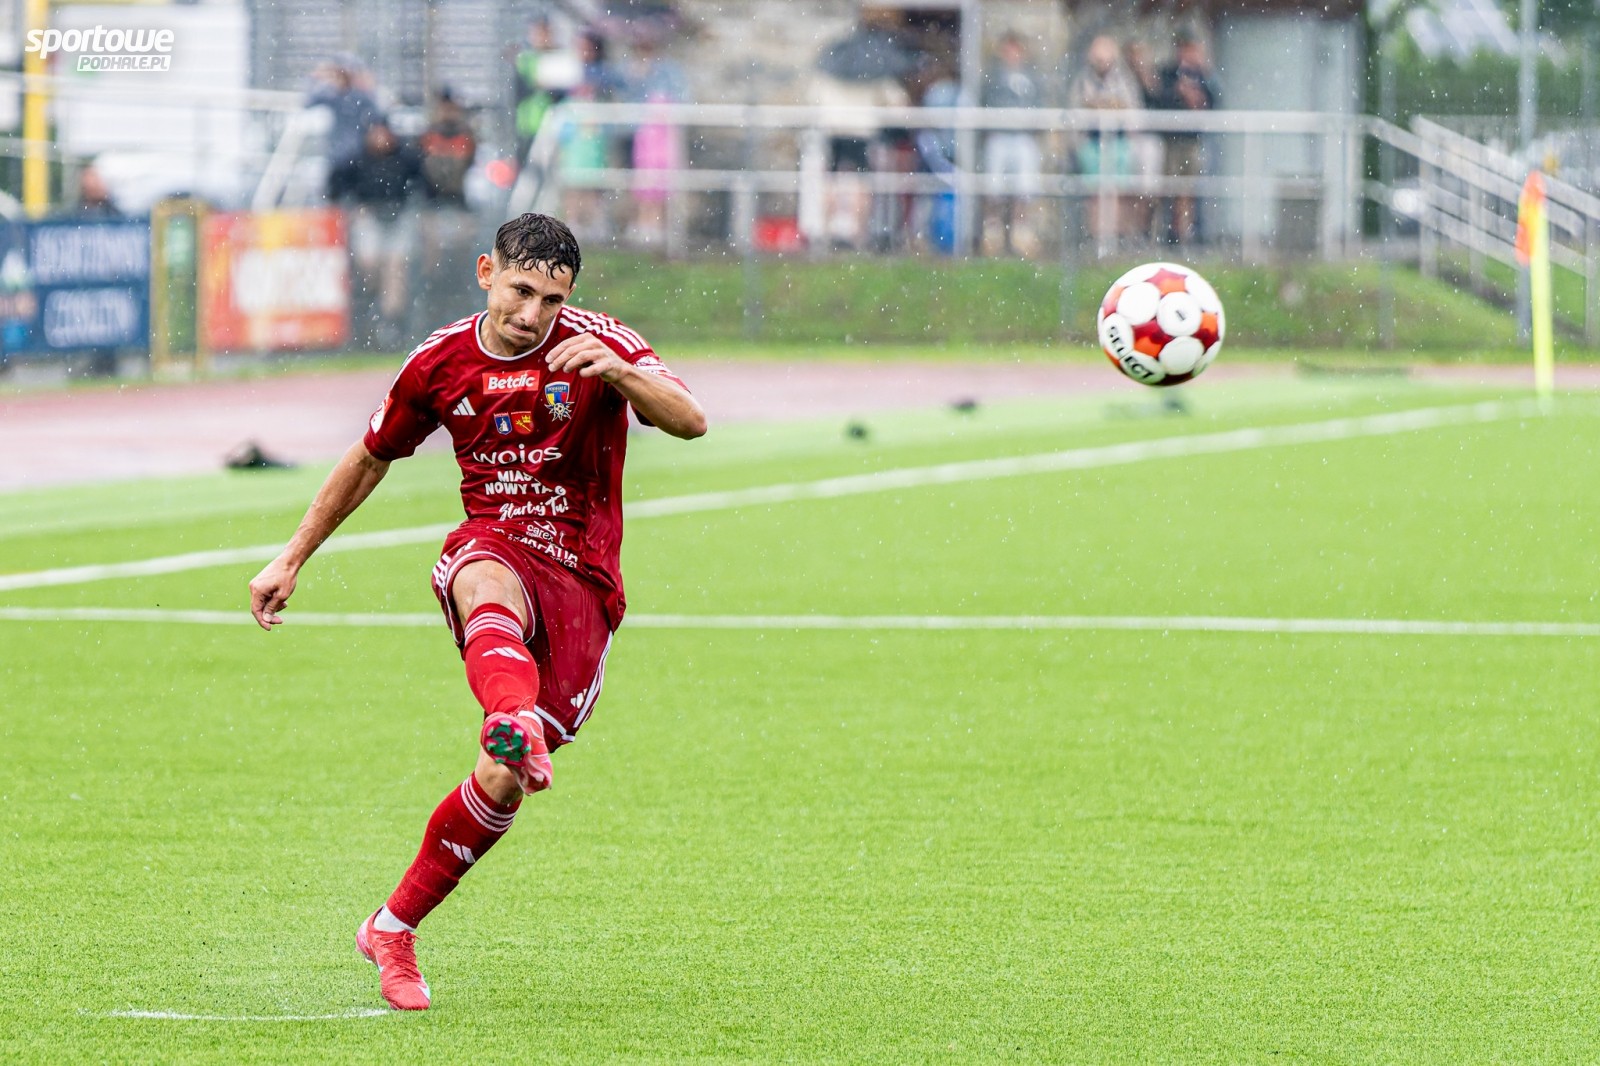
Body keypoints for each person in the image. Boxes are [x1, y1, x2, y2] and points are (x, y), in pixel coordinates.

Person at [247, 212, 707, 1012]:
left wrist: (619, 374)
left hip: (584, 579)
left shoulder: (598, 341)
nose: (533, 314)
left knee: (502, 781)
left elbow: (691, 420)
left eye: (552, 300)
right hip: (494, 541)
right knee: (480, 576)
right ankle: (512, 717)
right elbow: (370, 457)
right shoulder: (439, 361)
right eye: (521, 291)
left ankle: (391, 926)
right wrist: (291, 556)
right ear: (486, 272)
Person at [349, 117, 425, 347]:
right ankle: (371, 308)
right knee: (370, 265)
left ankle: (390, 321)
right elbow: (338, 185)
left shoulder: (404, 158)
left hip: (398, 217)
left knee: (395, 269)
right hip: (370, 217)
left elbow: (423, 183)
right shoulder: (359, 160)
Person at [1067, 34, 1145, 248]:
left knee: (1120, 190)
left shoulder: (1123, 81)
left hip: (1119, 142)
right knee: (1095, 192)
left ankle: (1119, 236)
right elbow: (1076, 113)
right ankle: (1098, 237)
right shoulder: (1082, 82)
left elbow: (1132, 111)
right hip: (1092, 143)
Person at [980, 31, 1044, 258]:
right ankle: (993, 231)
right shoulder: (992, 78)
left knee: (1024, 186)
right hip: (999, 135)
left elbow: (1039, 107)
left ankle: (1021, 231)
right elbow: (985, 104)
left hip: (1023, 136)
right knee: (993, 186)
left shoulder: (1032, 78)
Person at [1154, 31, 1217, 245]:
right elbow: (1160, 101)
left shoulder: (1203, 76)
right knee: (1170, 188)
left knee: (1189, 190)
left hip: (1193, 141)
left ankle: (1188, 234)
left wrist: (1197, 94)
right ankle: (1168, 233)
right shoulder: (1168, 74)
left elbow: (1213, 103)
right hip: (1172, 141)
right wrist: (1179, 92)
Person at [307, 57, 380, 203]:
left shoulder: (359, 96)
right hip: (338, 158)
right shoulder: (333, 96)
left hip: (357, 158)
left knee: (354, 199)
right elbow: (308, 102)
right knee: (335, 199)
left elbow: (377, 113)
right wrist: (317, 80)